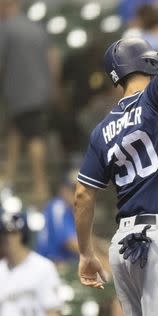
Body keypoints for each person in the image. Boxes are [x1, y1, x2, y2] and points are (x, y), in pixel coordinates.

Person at [73, 12, 158, 316]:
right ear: (149, 63)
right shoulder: (157, 98)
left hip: (122, 246)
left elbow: (82, 196)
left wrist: (86, 253)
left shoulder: (102, 129)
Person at [0, 0, 58, 206]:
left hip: (19, 92)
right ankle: (8, 177)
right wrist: (52, 86)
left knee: (33, 137)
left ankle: (40, 186)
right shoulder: (36, 28)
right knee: (16, 131)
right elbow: (53, 57)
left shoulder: (6, 28)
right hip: (39, 91)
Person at [0, 211, 63, 315]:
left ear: (23, 234)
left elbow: (53, 311)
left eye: (13, 233)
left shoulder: (43, 267)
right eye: (4, 234)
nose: (8, 239)